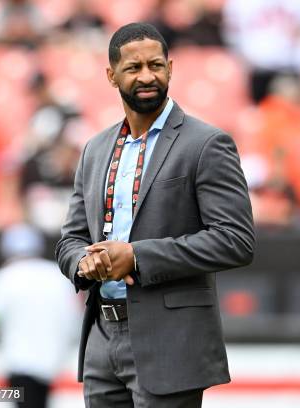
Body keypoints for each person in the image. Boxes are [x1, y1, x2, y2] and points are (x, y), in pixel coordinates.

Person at [55, 22, 255, 408]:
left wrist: (136, 257)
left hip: (170, 344)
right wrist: (85, 262)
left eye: (156, 65)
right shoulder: (95, 149)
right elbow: (69, 240)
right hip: (101, 338)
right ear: (111, 75)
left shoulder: (206, 143)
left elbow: (236, 241)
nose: (147, 76)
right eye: (133, 68)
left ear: (170, 68)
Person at [0, 224, 81, 408]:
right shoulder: (57, 276)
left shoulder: (5, 277)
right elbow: (75, 320)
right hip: (53, 364)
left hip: (19, 363)